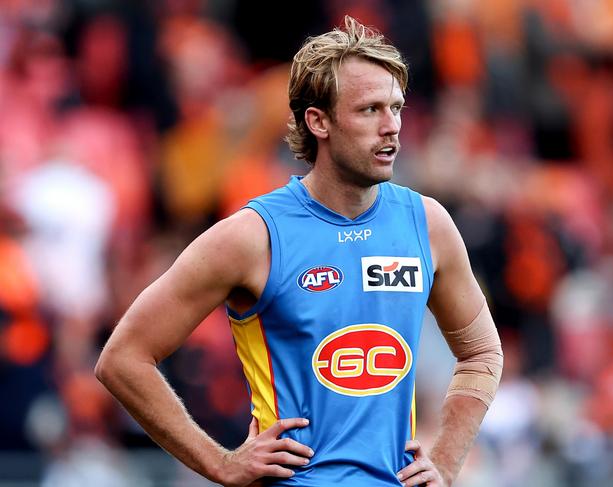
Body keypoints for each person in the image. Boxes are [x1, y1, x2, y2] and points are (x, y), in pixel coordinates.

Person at [95, 16, 503, 487]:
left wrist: (447, 464)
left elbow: (481, 353)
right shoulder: (252, 237)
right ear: (318, 121)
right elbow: (123, 359)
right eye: (370, 110)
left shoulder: (427, 224)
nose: (392, 127)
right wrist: (220, 462)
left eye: (396, 108)